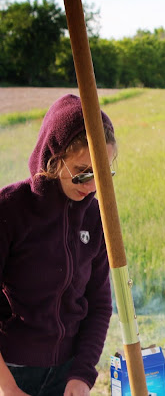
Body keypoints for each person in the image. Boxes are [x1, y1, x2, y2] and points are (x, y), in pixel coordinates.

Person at [0, 94, 115, 395]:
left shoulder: (96, 217)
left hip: (67, 373)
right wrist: (6, 386)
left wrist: (82, 374)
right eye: (82, 171)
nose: (92, 186)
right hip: (10, 370)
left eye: (102, 173)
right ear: (54, 157)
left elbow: (100, 304)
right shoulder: (9, 210)